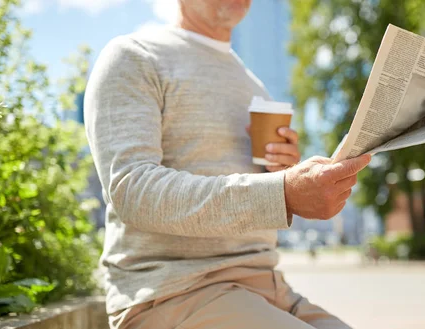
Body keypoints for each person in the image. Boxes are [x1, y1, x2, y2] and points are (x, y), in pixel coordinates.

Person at [84, 0, 371, 328]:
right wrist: (281, 193)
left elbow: (253, 192)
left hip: (270, 288)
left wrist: (281, 173)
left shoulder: (253, 85)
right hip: (174, 293)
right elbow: (132, 191)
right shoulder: (134, 55)